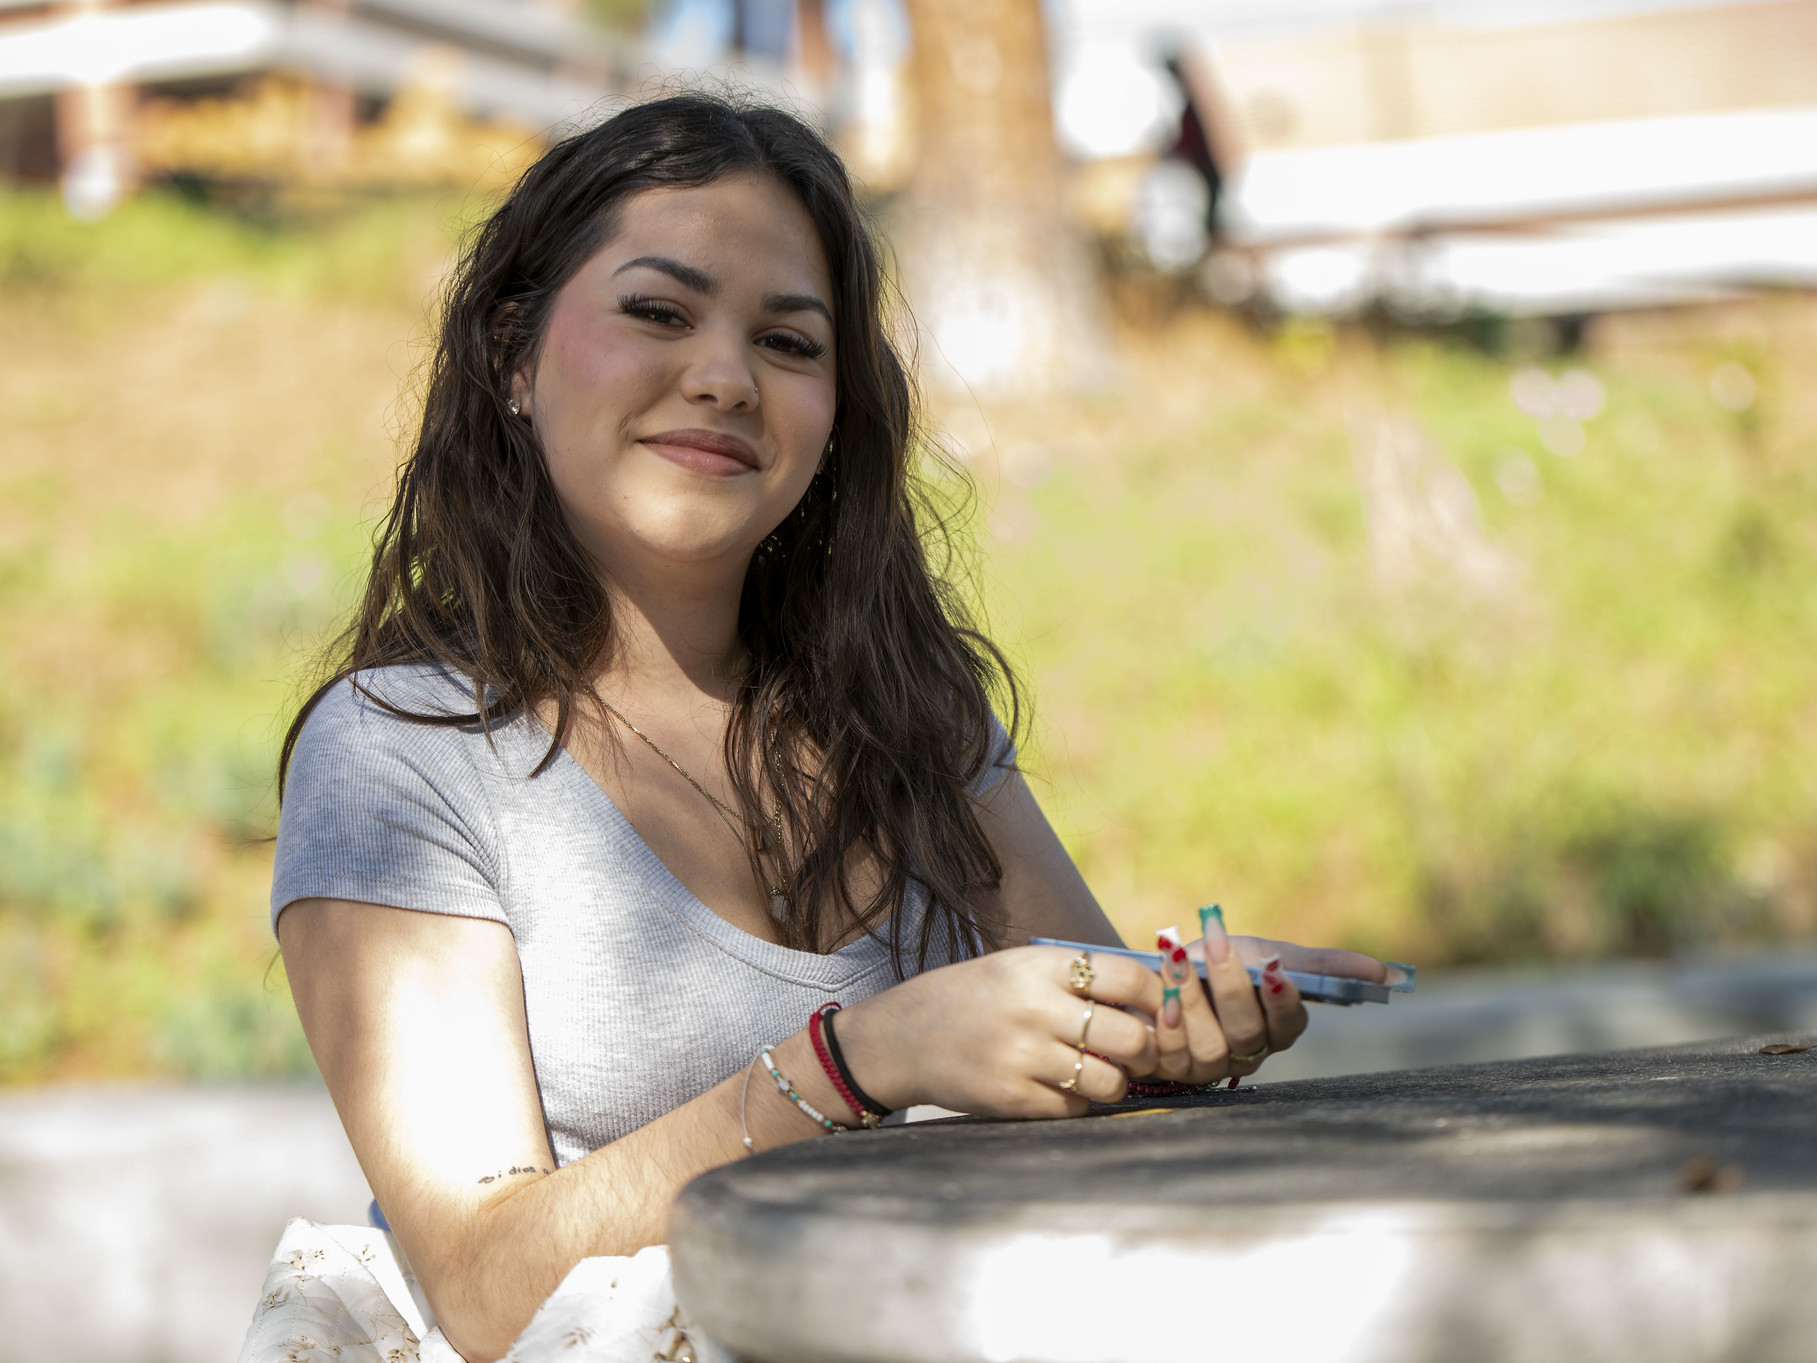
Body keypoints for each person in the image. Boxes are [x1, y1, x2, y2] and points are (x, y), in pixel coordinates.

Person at [269, 93, 1390, 1363]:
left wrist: (1176, 1028)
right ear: (510, 357)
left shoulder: (905, 706)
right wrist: (861, 1060)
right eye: (656, 311)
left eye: (789, 342)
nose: (724, 377)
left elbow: (1086, 1055)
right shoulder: (399, 754)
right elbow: (484, 1285)